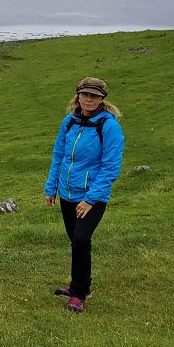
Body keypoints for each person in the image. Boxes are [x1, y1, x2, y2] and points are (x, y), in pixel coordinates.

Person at [44, 77, 124, 313]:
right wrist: (51, 187)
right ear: (78, 96)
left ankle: (78, 294)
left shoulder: (109, 127)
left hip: (92, 197)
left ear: (102, 99)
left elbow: (111, 167)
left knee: (80, 239)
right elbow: (59, 155)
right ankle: (82, 285)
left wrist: (90, 199)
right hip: (68, 194)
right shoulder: (69, 122)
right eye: (85, 95)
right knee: (76, 241)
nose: (89, 100)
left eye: (95, 96)